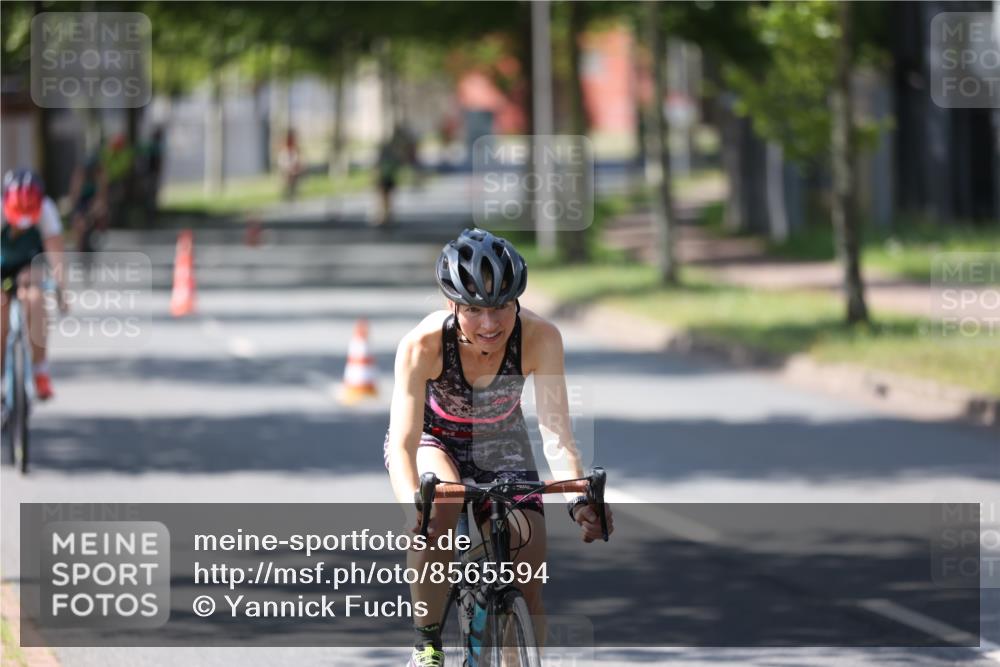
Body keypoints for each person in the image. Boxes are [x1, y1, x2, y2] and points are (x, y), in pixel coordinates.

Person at [384, 228, 614, 667]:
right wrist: (413, 505)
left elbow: (556, 434)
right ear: (451, 305)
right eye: (473, 310)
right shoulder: (422, 345)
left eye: (502, 307)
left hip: (499, 441)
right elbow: (404, 440)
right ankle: (427, 644)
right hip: (436, 440)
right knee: (439, 511)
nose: (490, 325)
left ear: (518, 303)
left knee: (527, 571)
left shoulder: (540, 338)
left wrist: (578, 499)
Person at [1, 169, 67, 400]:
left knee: (36, 300)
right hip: (2, 268)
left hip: (32, 265)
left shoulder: (47, 210)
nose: (22, 225)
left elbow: (55, 254)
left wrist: (62, 292)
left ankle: (40, 371)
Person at [277, 128, 303, 201]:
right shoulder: (283, 152)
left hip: (294, 174)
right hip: (287, 174)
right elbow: (282, 164)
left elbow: (299, 163)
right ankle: (288, 193)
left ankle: (293, 194)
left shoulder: (295, 151)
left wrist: (296, 169)